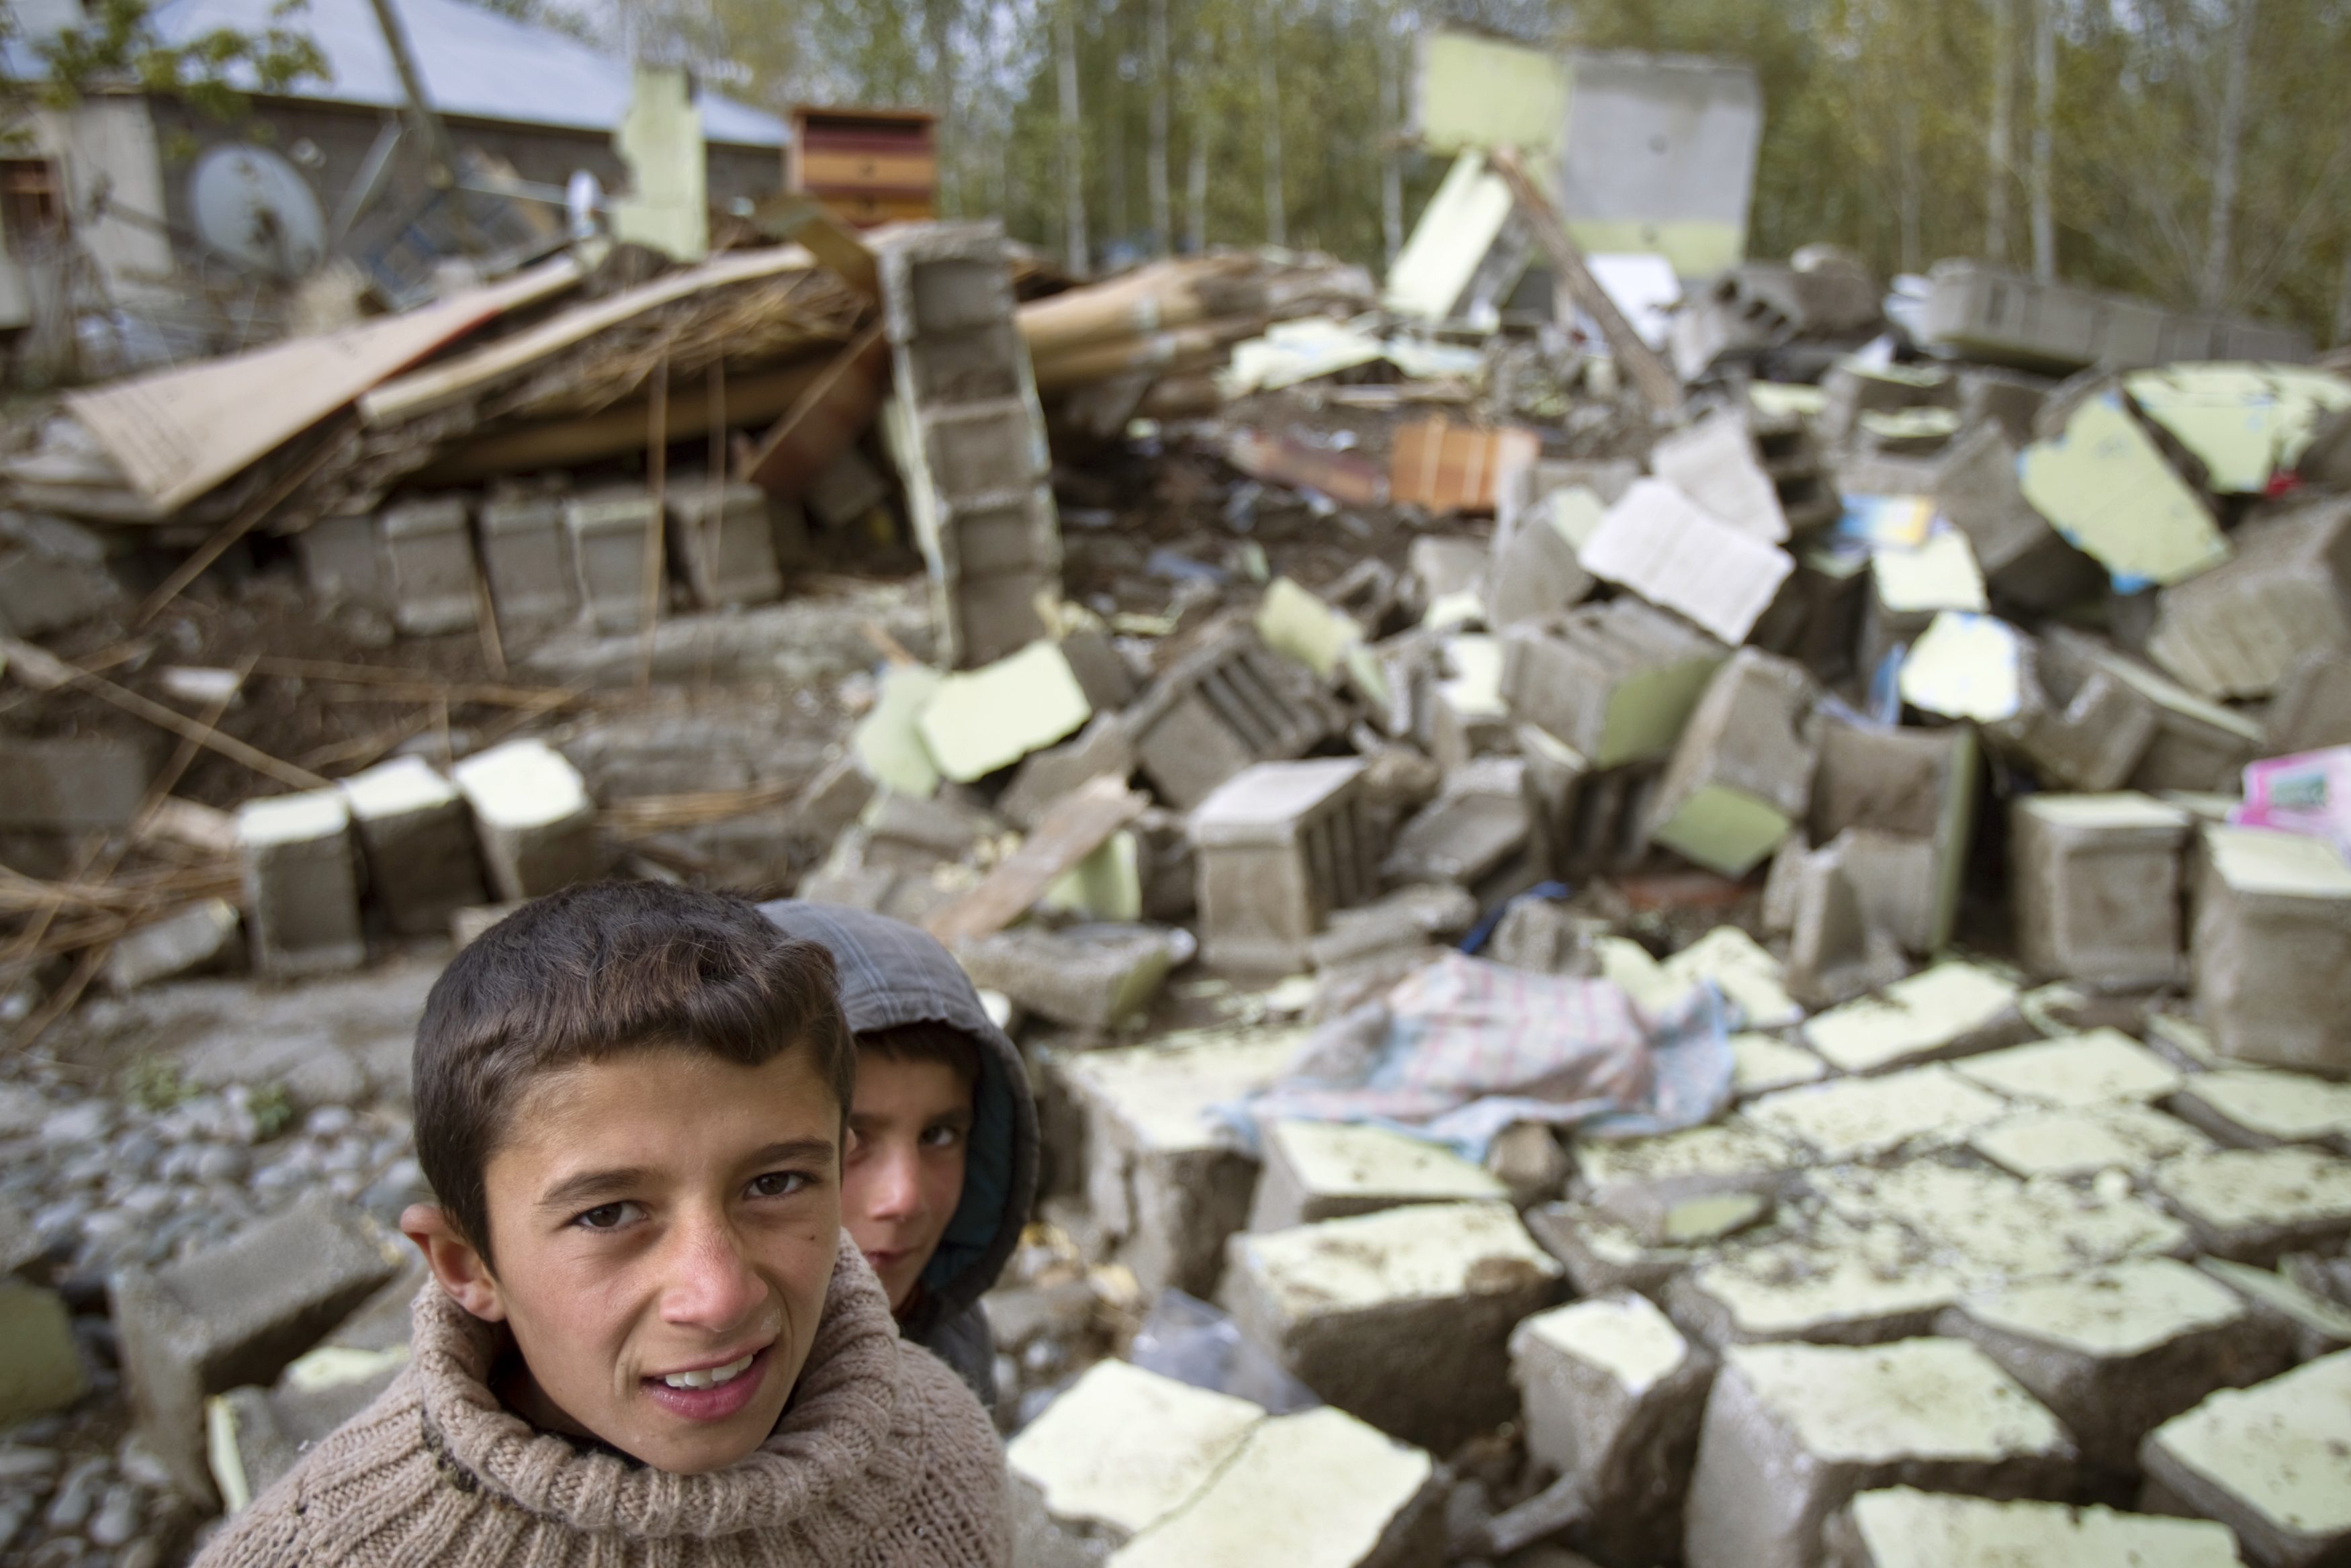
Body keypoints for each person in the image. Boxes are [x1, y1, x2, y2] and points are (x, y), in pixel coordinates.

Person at [195, 881, 1009, 1567]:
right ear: (466, 1264)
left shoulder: (941, 1458)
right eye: (608, 1213)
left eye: (774, 1182)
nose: (716, 1296)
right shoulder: (318, 1551)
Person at [758, 901, 1038, 1410]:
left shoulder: (949, 1337)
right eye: (850, 1140)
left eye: (939, 1135)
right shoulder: (674, 1414)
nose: (904, 1199)